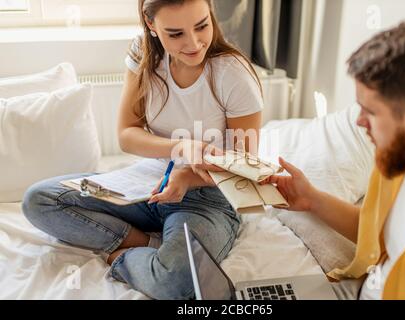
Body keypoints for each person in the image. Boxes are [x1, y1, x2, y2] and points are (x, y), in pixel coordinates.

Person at [22, 0, 263, 299]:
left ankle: (121, 256)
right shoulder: (142, 53)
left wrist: (188, 177)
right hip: (147, 184)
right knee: (40, 200)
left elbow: (247, 163)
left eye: (202, 25)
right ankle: (144, 243)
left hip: (209, 196)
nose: (194, 43)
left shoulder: (231, 72)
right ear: (151, 25)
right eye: (175, 34)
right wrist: (180, 148)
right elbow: (127, 134)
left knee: (174, 283)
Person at [263, 19, 405, 299]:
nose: (359, 122)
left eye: (370, 112)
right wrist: (311, 199)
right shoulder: (396, 163)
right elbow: (380, 236)